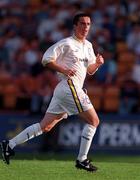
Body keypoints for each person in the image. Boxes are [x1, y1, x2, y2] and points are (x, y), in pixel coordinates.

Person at [1, 12, 104, 172]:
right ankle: (82, 159)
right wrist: (63, 69)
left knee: (45, 127)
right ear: (75, 26)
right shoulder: (67, 43)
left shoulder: (88, 45)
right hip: (69, 87)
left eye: (88, 24)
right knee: (94, 121)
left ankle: (9, 144)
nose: (85, 27)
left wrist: (97, 64)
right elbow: (46, 59)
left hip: (66, 90)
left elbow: (89, 70)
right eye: (82, 24)